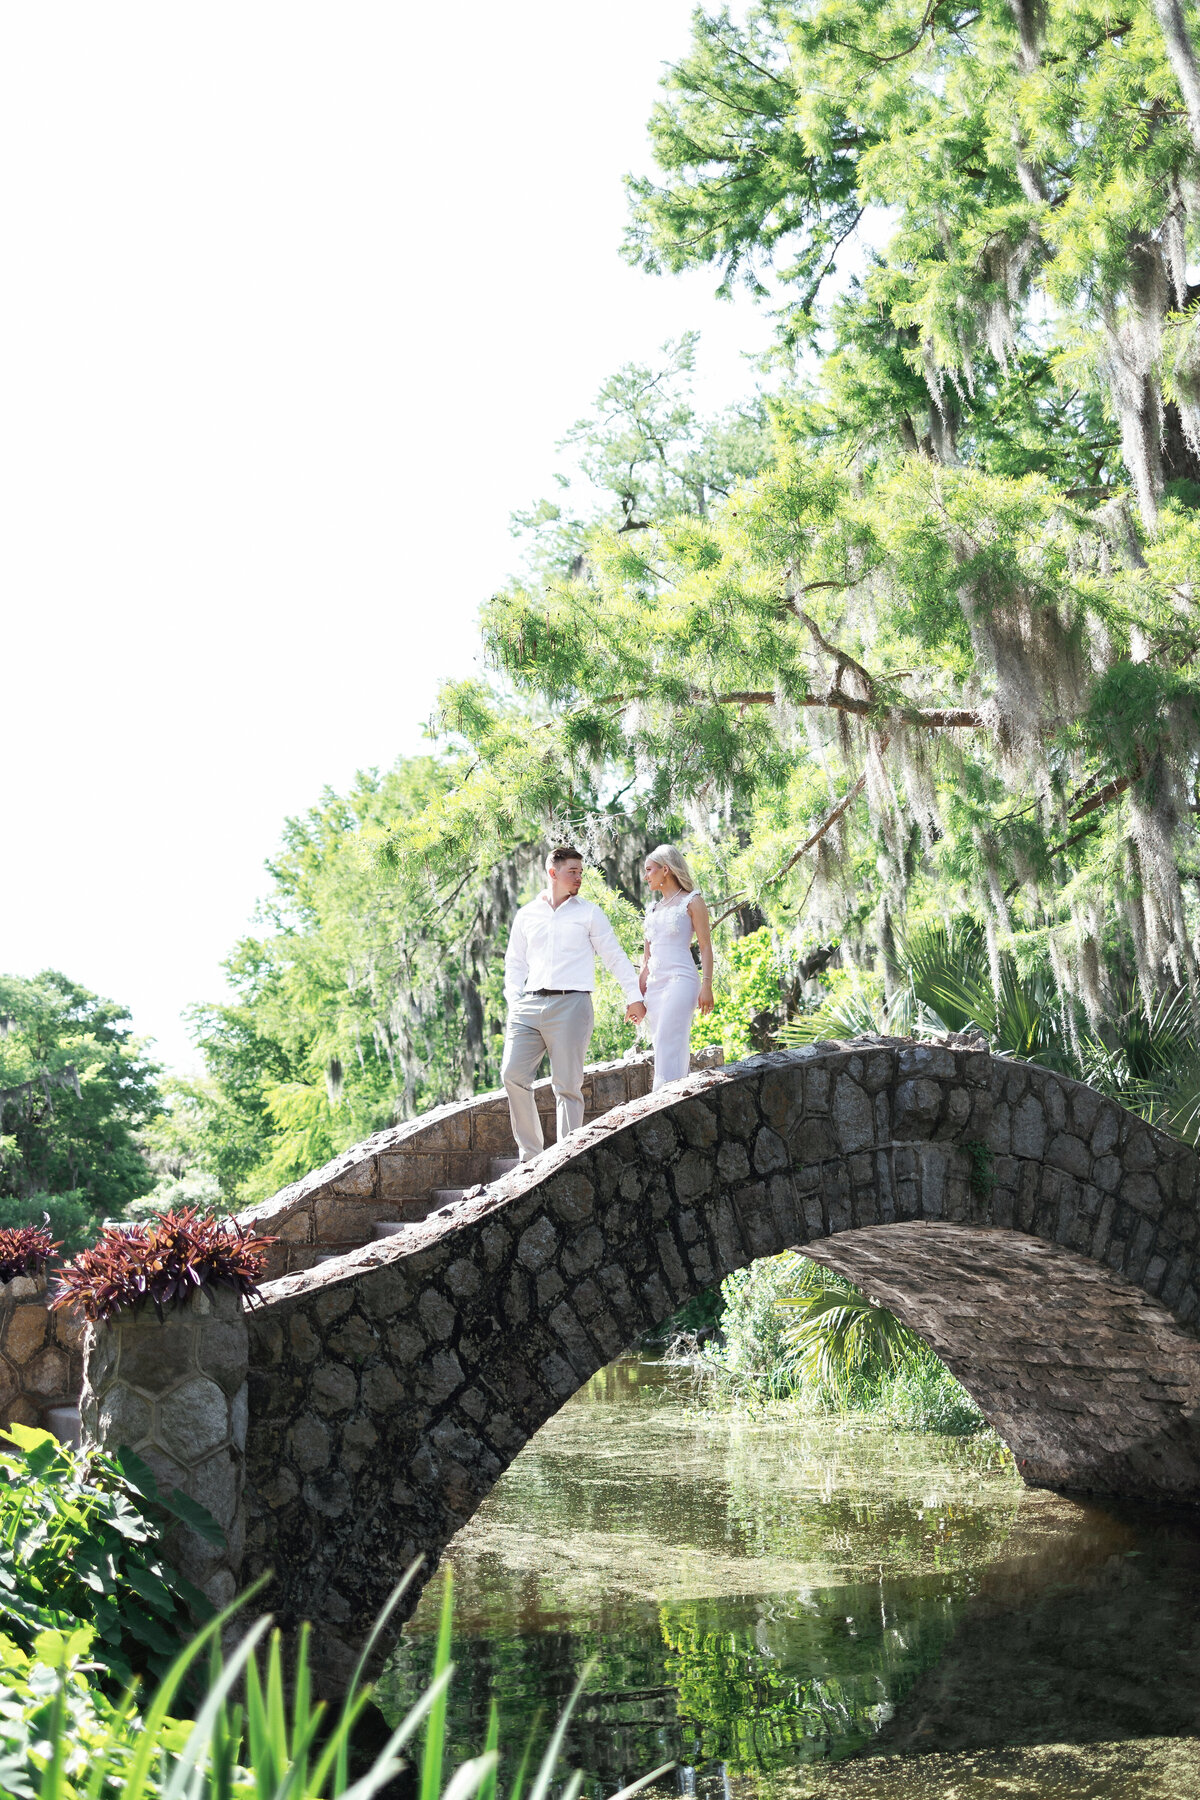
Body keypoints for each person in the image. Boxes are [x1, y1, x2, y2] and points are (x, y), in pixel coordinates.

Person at [502, 845, 647, 1161]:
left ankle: (565, 1159)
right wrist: (515, 1001)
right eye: (573, 872)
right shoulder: (527, 915)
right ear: (553, 873)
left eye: (581, 872)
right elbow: (514, 963)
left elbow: (614, 957)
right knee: (512, 1075)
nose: (579, 877)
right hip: (527, 1006)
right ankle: (530, 1156)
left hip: (571, 1005)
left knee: (567, 1085)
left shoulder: (589, 913)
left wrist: (634, 998)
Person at [639, 844, 714, 1090]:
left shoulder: (692, 902)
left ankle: (661, 1098)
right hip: (655, 986)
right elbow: (646, 960)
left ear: (666, 870)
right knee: (663, 1043)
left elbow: (705, 947)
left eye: (650, 869)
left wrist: (707, 986)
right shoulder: (651, 910)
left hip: (682, 981)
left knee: (667, 1038)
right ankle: (675, 1096)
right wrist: (636, 997)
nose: (646, 876)